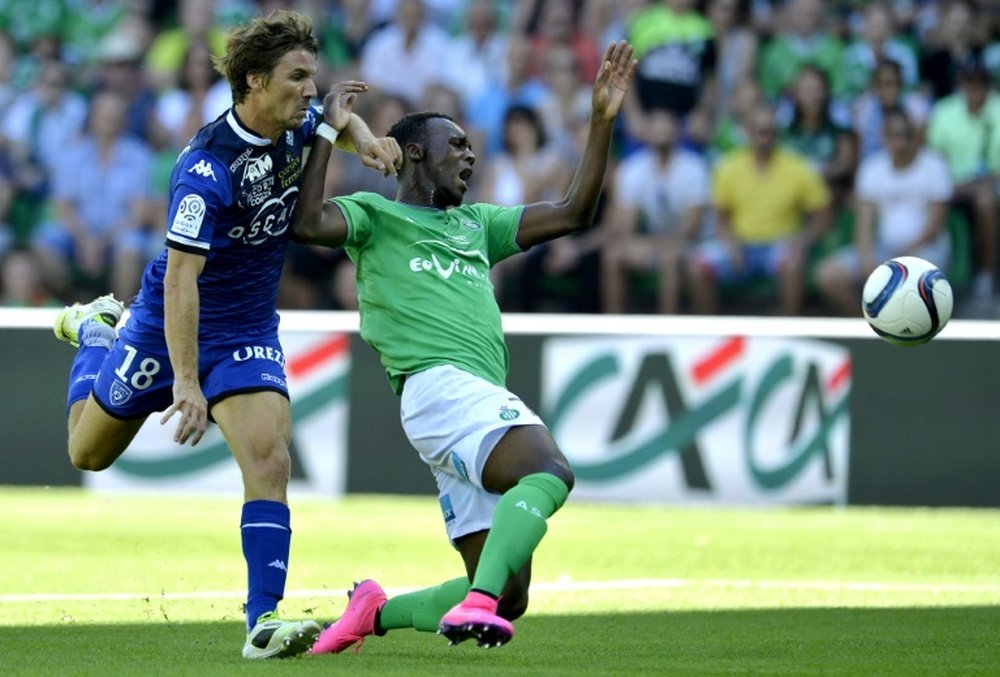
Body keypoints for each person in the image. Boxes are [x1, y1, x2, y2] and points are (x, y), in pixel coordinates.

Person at [49, 10, 399, 660]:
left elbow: (334, 116)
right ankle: (99, 332)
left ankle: (261, 622)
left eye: (311, 77)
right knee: (86, 453)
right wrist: (184, 380)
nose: (308, 89)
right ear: (255, 81)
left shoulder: (296, 123)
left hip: (245, 326)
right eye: (296, 78)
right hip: (165, 322)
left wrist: (367, 136)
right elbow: (182, 279)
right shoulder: (206, 167)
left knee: (269, 462)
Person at [291, 40, 637, 652]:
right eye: (458, 145)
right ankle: (474, 604)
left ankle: (374, 612)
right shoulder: (375, 216)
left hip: (465, 398)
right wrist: (326, 127)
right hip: (437, 385)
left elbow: (575, 212)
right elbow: (308, 222)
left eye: (472, 147)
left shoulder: (480, 225)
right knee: (549, 471)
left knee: (509, 594)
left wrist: (601, 121)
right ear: (415, 153)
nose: (471, 155)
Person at [687, 103, 831, 315]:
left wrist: (803, 240)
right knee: (699, 265)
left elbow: (822, 215)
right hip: (739, 244)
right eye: (758, 130)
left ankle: (789, 331)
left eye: (769, 130)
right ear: (747, 131)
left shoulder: (798, 167)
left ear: (777, 133)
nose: (764, 135)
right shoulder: (728, 167)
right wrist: (730, 244)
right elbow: (722, 218)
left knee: (792, 264)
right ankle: (708, 332)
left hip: (779, 245)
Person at [814, 108, 953, 316]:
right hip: (884, 247)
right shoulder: (872, 168)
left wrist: (895, 264)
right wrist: (866, 256)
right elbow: (864, 223)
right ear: (884, 136)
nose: (902, 141)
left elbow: (933, 227)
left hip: (925, 249)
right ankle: (870, 323)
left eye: (907, 134)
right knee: (827, 275)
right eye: (895, 135)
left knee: (910, 287)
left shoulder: (934, 165)